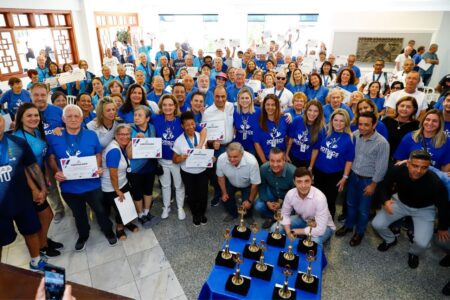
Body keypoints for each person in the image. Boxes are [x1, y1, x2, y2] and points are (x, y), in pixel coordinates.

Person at [47, 105, 117, 251]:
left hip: (92, 184)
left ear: (81, 118)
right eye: (69, 116)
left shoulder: (91, 135)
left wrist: (97, 167)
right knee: (78, 214)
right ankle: (83, 235)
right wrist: (56, 171)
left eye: (76, 116)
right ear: (63, 119)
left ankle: (108, 230)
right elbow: (51, 157)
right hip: (69, 187)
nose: (73, 119)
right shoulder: (54, 137)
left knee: (100, 210)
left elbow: (98, 153)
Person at [372, 150, 450, 269]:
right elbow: (384, 185)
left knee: (422, 243)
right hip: (400, 202)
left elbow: (443, 205)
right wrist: (385, 201)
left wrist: (443, 227)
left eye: (424, 168)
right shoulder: (398, 169)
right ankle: (390, 240)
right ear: (408, 163)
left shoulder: (435, 182)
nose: (418, 171)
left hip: (424, 210)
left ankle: (413, 253)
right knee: (376, 224)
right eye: (415, 166)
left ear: (428, 167)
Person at [13, 103, 64, 257]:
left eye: (36, 115)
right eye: (29, 115)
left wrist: (45, 176)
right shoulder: (18, 138)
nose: (34, 118)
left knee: (44, 215)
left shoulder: (36, 132)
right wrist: (35, 190)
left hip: (39, 177)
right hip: (27, 184)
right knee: (46, 215)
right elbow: (21, 167)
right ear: (20, 118)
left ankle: (44, 241)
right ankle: (42, 246)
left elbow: (40, 157)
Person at [0, 114, 49, 271]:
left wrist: (41, 189)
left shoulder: (17, 143)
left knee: (31, 231)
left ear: (3, 122)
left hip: (22, 199)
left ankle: (36, 261)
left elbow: (31, 167)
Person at [335, 112, 389, 246]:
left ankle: (359, 232)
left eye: (367, 125)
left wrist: (373, 185)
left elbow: (381, 167)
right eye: (360, 124)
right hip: (353, 176)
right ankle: (348, 226)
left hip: (368, 180)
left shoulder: (382, 143)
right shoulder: (355, 135)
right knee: (350, 204)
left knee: (363, 210)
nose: (363, 127)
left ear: (374, 124)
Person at [310, 108, 355, 219]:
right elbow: (316, 150)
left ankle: (328, 222)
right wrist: (311, 167)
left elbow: (349, 160)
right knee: (316, 197)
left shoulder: (349, 138)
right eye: (336, 120)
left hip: (334, 175)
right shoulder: (324, 132)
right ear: (331, 120)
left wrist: (344, 177)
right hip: (319, 171)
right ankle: (314, 218)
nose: (338, 123)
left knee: (330, 199)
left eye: (342, 121)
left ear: (346, 122)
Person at [30, 83, 65, 222]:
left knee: (66, 181)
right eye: (36, 95)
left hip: (59, 155)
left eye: (43, 95)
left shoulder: (57, 111)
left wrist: (62, 130)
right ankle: (58, 209)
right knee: (49, 185)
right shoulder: (27, 113)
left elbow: (69, 128)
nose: (40, 98)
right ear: (30, 95)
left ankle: (76, 204)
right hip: (41, 159)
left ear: (48, 95)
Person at [276, 167, 336, 245]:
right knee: (275, 228)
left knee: (313, 243)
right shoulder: (290, 194)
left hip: (324, 226)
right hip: (304, 220)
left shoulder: (320, 198)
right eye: (299, 181)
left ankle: (309, 237)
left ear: (311, 180)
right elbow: (284, 214)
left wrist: (296, 231)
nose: (303, 185)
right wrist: (288, 232)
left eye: (307, 181)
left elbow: (320, 229)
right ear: (294, 182)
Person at [151, 95, 188, 219]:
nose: (167, 107)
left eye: (170, 105)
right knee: (165, 185)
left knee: (179, 185)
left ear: (175, 106)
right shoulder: (156, 118)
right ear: (161, 106)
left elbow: (198, 128)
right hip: (162, 159)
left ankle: (180, 207)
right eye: (165, 105)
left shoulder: (180, 119)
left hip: (177, 160)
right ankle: (166, 207)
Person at [101, 123, 139, 240]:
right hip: (112, 187)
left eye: (127, 134)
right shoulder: (114, 150)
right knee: (120, 209)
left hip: (122, 182)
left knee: (127, 207)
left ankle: (126, 223)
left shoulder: (121, 146)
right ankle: (119, 227)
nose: (125, 136)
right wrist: (117, 190)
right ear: (116, 135)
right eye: (121, 134)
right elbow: (113, 173)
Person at [173, 111, 209, 226]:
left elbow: (206, 152)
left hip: (202, 171)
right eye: (187, 125)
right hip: (188, 172)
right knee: (192, 195)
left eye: (192, 124)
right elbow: (174, 159)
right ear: (182, 126)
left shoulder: (200, 137)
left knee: (203, 194)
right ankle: (195, 214)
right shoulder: (179, 141)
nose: (190, 127)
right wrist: (181, 157)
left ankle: (202, 213)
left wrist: (211, 158)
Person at [127, 105, 161, 228]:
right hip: (135, 168)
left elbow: (154, 147)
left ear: (147, 118)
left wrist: (145, 140)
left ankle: (147, 211)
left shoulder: (152, 128)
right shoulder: (129, 129)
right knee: (137, 193)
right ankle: (140, 214)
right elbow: (129, 156)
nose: (136, 118)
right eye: (135, 115)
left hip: (150, 166)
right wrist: (134, 141)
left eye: (140, 115)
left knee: (148, 190)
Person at [202, 86, 234, 206]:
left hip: (230, 146)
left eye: (223, 96)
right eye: (217, 96)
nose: (220, 99)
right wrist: (211, 142)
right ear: (213, 96)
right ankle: (217, 194)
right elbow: (205, 133)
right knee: (216, 174)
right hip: (217, 148)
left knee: (230, 172)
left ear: (226, 96)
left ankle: (228, 195)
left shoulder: (231, 107)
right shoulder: (207, 113)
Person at [216, 142, 261, 222]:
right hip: (231, 181)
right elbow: (220, 177)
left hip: (247, 184)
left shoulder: (252, 162)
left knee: (247, 204)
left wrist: (250, 201)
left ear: (242, 154)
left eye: (235, 157)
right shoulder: (221, 159)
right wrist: (224, 192)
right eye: (229, 156)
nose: (232, 159)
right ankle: (232, 214)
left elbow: (255, 184)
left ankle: (248, 216)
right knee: (226, 199)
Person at [254, 148, 296, 229]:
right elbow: (262, 186)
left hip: (287, 196)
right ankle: (274, 216)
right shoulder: (263, 168)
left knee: (292, 213)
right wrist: (267, 202)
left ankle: (275, 218)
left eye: (279, 161)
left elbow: (295, 194)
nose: (275, 164)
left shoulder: (293, 172)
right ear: (269, 160)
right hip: (272, 192)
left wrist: (282, 203)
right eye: (272, 161)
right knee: (258, 206)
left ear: (284, 161)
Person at [287, 100, 326, 168]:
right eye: (310, 110)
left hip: (307, 160)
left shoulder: (321, 129)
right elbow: (290, 138)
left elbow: (315, 149)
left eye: (315, 111)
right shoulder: (297, 120)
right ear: (306, 110)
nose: (312, 113)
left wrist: (310, 166)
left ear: (319, 113)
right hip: (293, 156)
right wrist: (286, 154)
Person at [253, 94, 290, 163]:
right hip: (266, 159)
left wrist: (286, 154)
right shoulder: (259, 121)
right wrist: (264, 161)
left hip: (281, 160)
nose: (270, 107)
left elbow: (288, 138)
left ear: (277, 106)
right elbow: (256, 143)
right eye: (268, 104)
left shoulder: (285, 119)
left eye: (273, 105)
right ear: (264, 106)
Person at [382, 96, 419, 161]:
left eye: (408, 107)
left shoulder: (416, 125)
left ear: (414, 109)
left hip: (404, 161)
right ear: (397, 107)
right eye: (402, 106)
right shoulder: (387, 120)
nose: (404, 109)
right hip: (383, 157)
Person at [233, 88, 260, 155]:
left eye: (247, 98)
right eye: (242, 98)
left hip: (254, 147)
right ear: (238, 100)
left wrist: (288, 114)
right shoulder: (234, 112)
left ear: (251, 99)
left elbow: (272, 113)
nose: (244, 100)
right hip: (238, 147)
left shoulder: (259, 111)